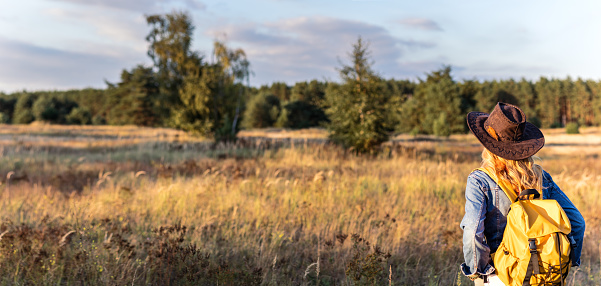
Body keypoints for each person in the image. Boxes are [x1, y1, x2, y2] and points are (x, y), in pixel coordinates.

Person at [459, 102, 586, 285]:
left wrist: (478, 271)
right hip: (544, 273)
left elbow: (472, 230)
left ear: (488, 144)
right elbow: (577, 222)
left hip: (501, 273)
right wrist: (565, 261)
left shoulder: (480, 180)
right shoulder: (541, 177)